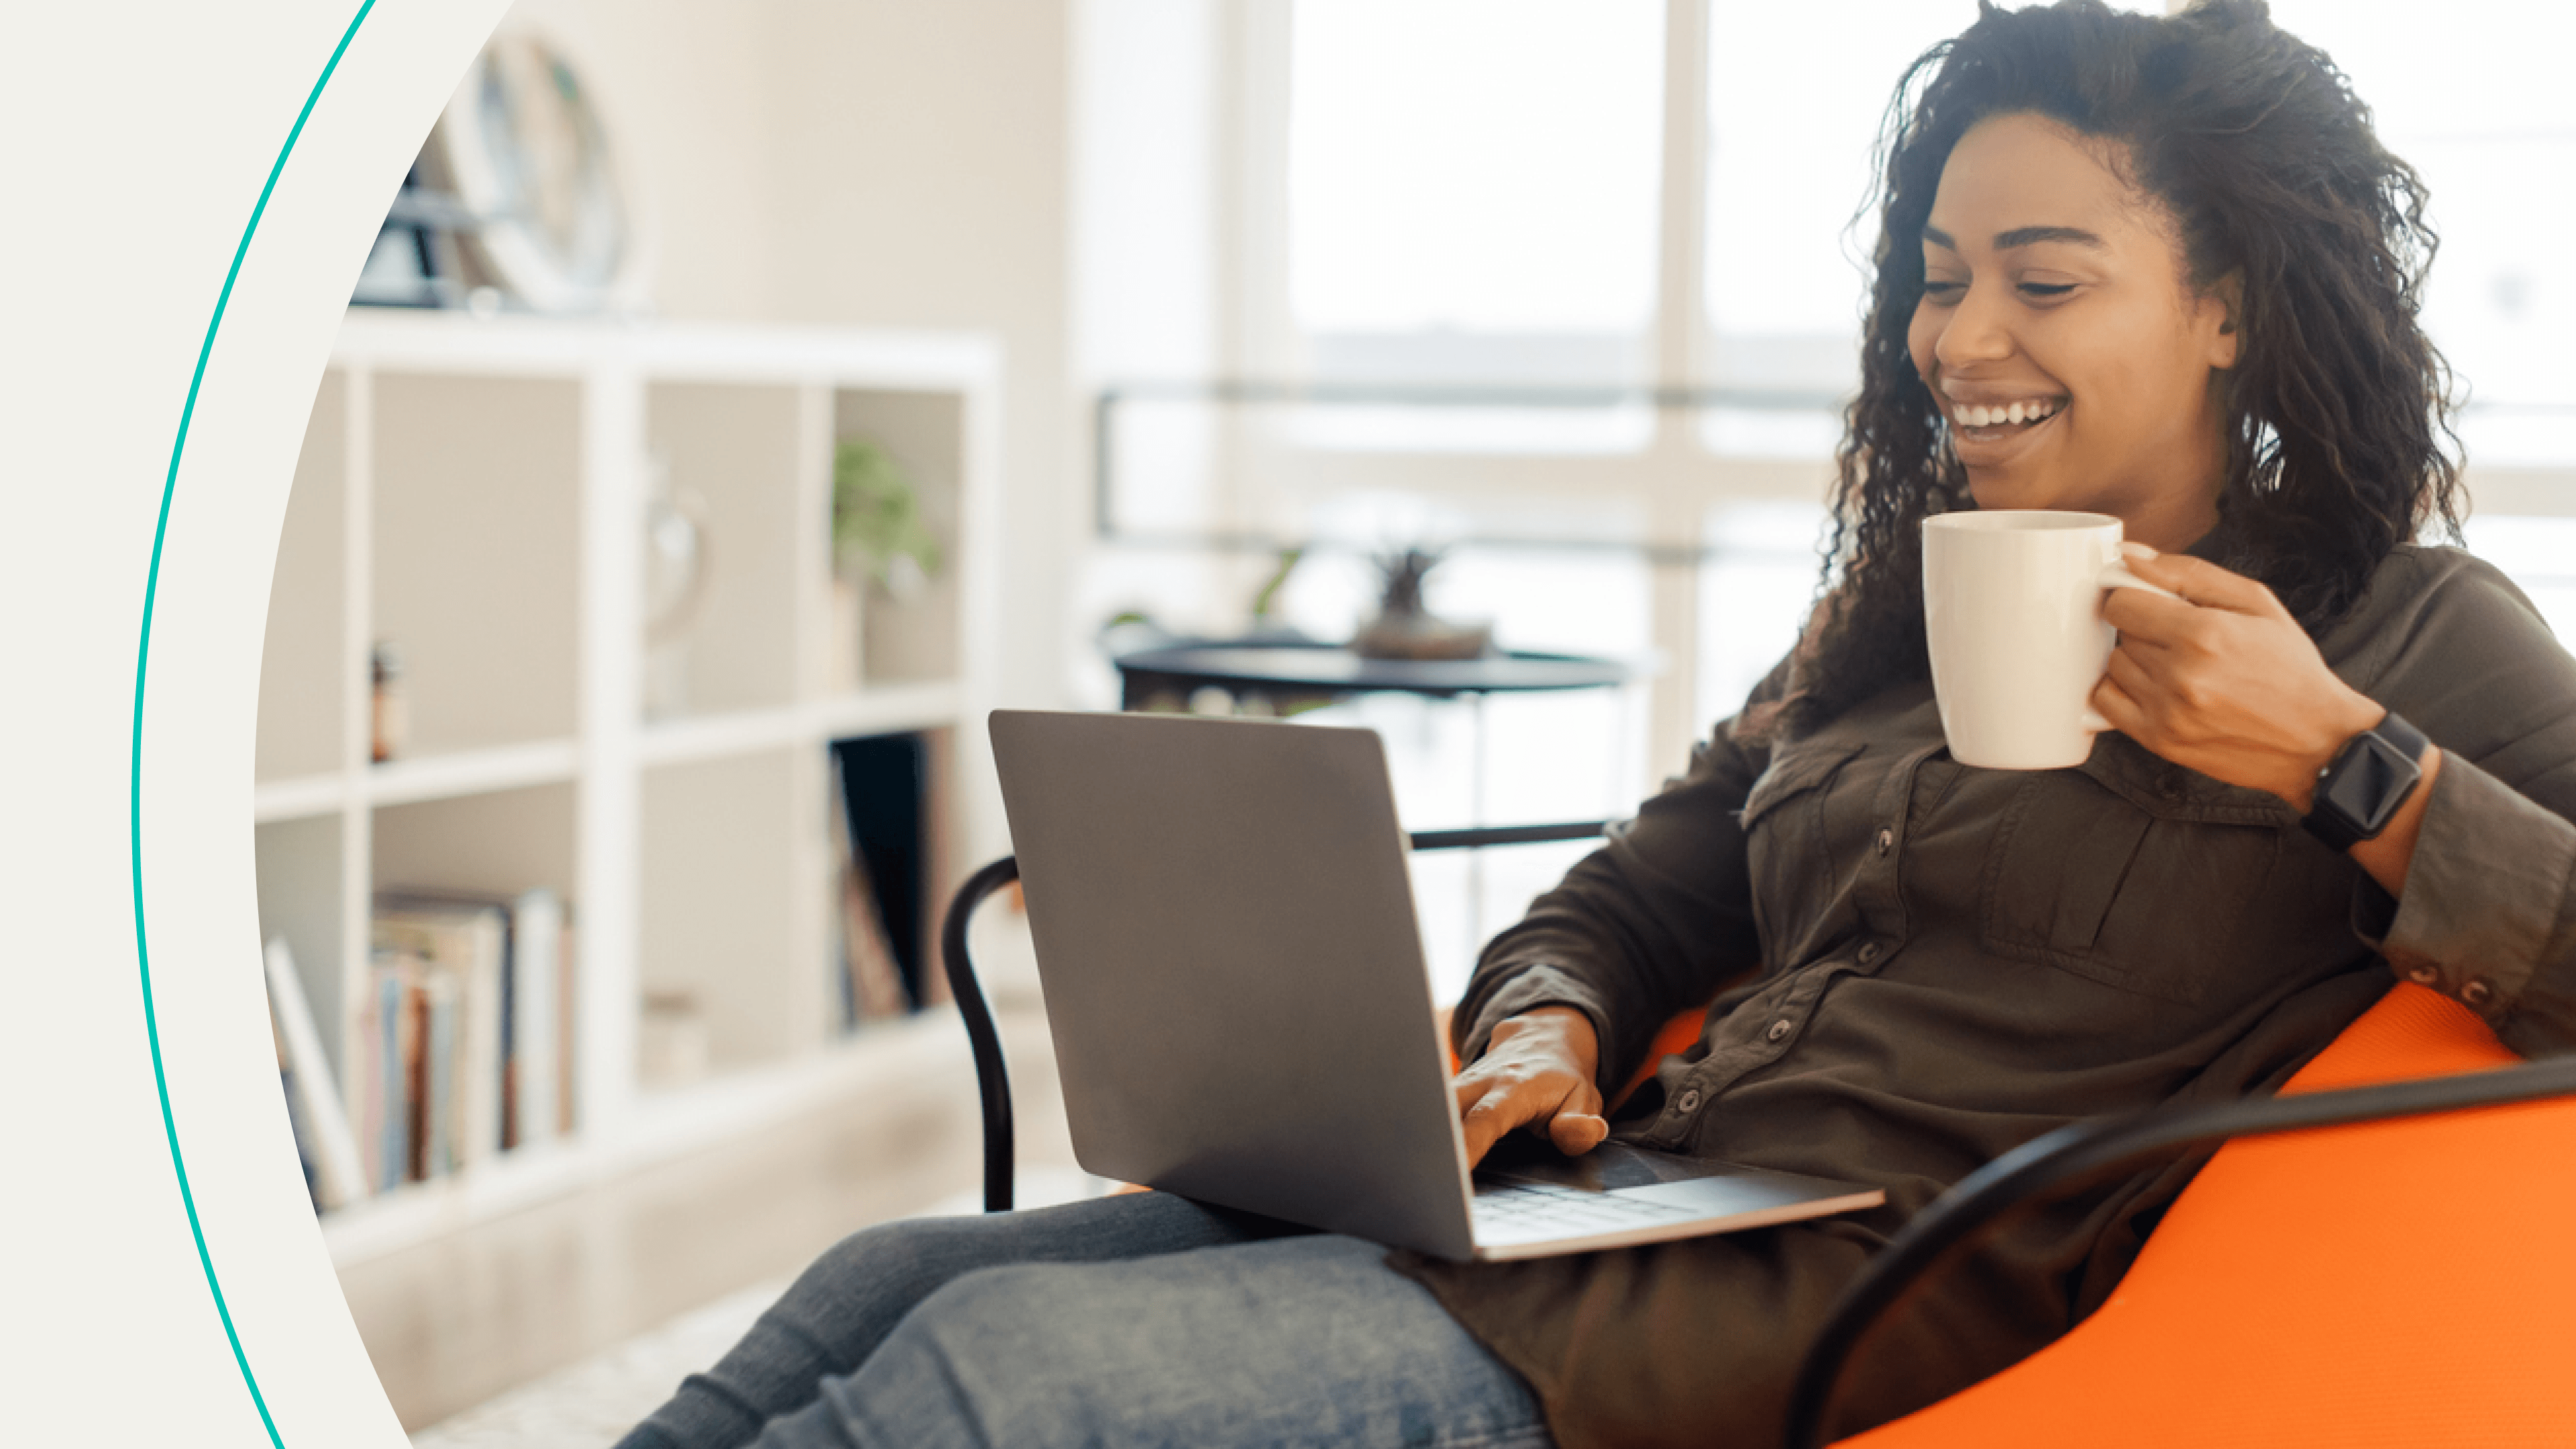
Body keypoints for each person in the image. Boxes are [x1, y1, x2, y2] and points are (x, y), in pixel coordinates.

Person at [621, 3, 2576, 1446]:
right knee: (879, 1287)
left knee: (999, 1384)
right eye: (1939, 279)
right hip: (1599, 1201)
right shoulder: (1890, 619)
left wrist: (2346, 763)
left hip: (1819, 1311)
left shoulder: (2408, 635)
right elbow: (1642, 891)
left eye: (2045, 280)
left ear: (2232, 308)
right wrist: (1543, 1019)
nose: (1963, 341)